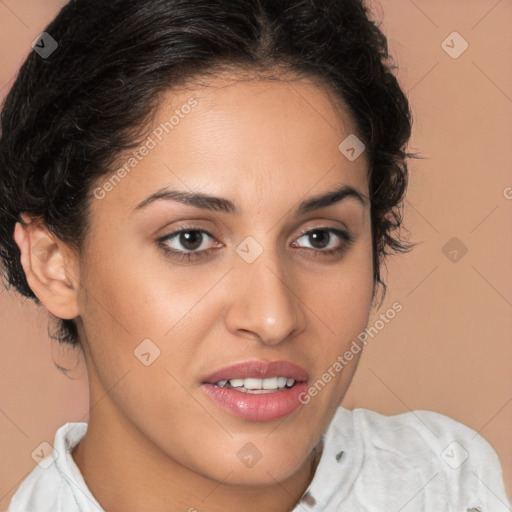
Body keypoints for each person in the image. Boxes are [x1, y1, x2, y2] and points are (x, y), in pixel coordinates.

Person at [0, 0, 509, 510]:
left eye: (319, 237)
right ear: (54, 264)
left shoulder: (447, 482)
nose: (273, 318)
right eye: (191, 239)